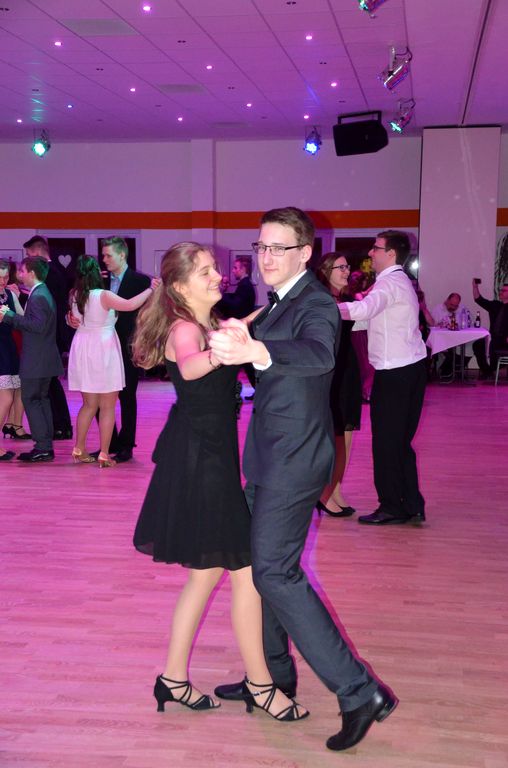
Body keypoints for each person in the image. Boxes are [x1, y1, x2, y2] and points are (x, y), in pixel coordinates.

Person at [209, 208, 397, 753]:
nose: (266, 257)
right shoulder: (279, 300)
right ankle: (271, 678)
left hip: (294, 459)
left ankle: (360, 691)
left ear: (304, 253)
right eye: (262, 246)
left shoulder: (315, 303)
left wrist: (257, 350)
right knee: (258, 566)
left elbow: (315, 354)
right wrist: (240, 334)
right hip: (270, 452)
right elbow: (265, 338)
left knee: (275, 571)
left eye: (278, 248)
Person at [131, 241, 307, 722]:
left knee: (206, 575)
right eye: (206, 272)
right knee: (245, 573)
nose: (218, 276)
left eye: (215, 269)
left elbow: (233, 331)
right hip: (203, 463)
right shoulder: (186, 328)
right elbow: (190, 364)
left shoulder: (204, 322)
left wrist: (261, 317)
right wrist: (217, 354)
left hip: (209, 456)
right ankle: (261, 686)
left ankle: (173, 679)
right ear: (181, 285)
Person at [338, 230, 427, 526]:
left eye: (375, 248)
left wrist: (323, 308)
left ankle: (392, 506)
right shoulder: (399, 282)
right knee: (400, 442)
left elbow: (364, 309)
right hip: (409, 370)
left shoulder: (389, 283)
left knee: (387, 442)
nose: (370, 253)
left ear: (391, 254)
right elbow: (369, 318)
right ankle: (411, 503)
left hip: (395, 374)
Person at [67, 256, 157, 468]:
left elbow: (74, 318)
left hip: (83, 347)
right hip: (103, 348)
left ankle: (79, 448)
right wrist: (151, 289)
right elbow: (130, 304)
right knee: (107, 406)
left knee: (89, 405)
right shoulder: (103, 295)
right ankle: (104, 454)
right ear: (96, 272)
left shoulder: (75, 294)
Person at [0, 257, 63, 462]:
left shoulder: (38, 297)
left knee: (32, 400)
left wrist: (8, 315)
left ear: (32, 274)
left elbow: (36, 326)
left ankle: (43, 447)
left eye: (22, 271)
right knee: (41, 400)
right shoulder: (41, 293)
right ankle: (45, 446)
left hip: (36, 360)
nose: (19, 275)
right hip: (43, 359)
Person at [315, 252, 361, 517]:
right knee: (335, 434)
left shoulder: (344, 300)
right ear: (325, 271)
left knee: (347, 433)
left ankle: (336, 489)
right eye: (340, 267)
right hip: (334, 372)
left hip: (347, 369)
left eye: (347, 266)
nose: (346, 271)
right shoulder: (321, 300)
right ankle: (324, 493)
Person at [100, 236, 151, 462]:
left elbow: (149, 316)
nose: (104, 259)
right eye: (103, 255)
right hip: (103, 346)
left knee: (127, 396)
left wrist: (144, 343)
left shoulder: (141, 281)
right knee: (101, 395)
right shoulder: (100, 281)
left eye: (108, 255)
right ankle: (109, 442)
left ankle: (127, 445)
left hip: (128, 345)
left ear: (122, 255)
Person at [23, 236, 73, 440]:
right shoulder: (56, 272)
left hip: (51, 336)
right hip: (54, 334)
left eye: (28, 255)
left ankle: (60, 425)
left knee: (50, 383)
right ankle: (59, 425)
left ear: (36, 253)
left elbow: (45, 309)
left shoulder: (50, 274)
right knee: (50, 383)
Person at [216, 255, 257, 400]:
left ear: (243, 269)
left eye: (235, 268)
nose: (233, 271)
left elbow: (235, 305)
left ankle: (257, 391)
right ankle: (258, 391)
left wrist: (220, 295)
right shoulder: (244, 285)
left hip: (243, 330)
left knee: (245, 365)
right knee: (247, 365)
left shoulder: (245, 286)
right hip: (243, 329)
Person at [0, 260, 26, 461]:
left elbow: (22, 319)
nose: (3, 281)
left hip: (8, 348)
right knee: (6, 398)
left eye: (6, 276)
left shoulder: (9, 294)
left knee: (11, 395)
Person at [472, 279, 508, 377]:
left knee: (495, 346)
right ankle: (487, 371)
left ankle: (493, 368)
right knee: (478, 345)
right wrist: (475, 286)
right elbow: (478, 299)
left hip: (505, 339)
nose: (501, 292)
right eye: (501, 290)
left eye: (504, 291)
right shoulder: (495, 305)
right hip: (493, 337)